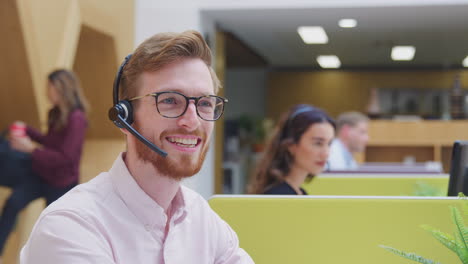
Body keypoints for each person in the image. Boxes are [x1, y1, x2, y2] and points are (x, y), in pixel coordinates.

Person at [20, 31, 254, 263]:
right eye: (170, 101)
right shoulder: (70, 225)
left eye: (204, 103)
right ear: (125, 118)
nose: (192, 121)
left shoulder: (203, 220)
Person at [0, 69, 89, 263]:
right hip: (42, 174)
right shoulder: (55, 113)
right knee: (12, 203)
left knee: (54, 229)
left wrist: (30, 149)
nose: (47, 92)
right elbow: (51, 143)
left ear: (62, 88)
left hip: (62, 183)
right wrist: (28, 130)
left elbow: (66, 158)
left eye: (50, 87)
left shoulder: (77, 119)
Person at [248, 104, 335, 195]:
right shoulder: (279, 196)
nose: (326, 153)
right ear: (291, 145)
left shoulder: (299, 193)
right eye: (318, 143)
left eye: (329, 143)